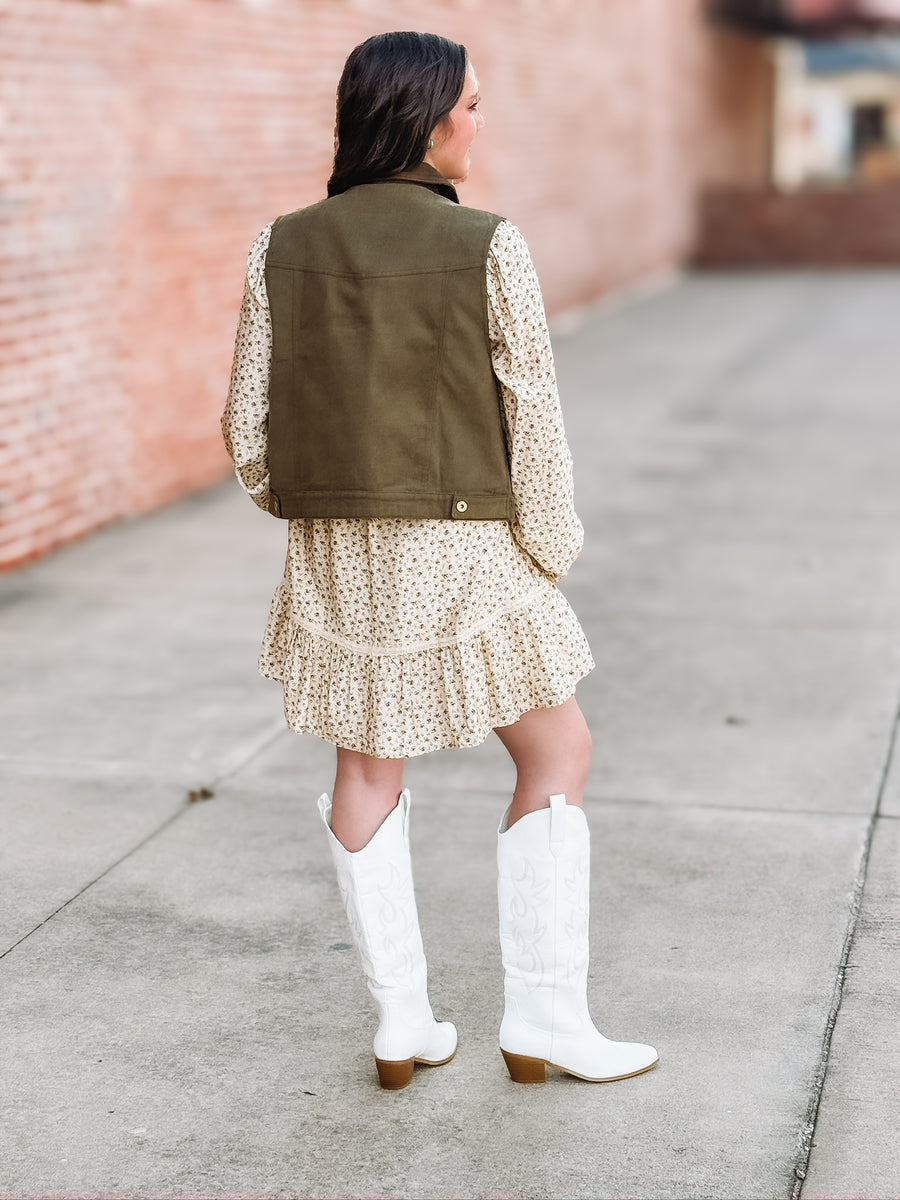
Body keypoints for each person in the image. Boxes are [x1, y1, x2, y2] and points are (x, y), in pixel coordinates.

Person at [222, 30, 657, 1091]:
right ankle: (545, 1021)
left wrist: (310, 509)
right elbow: (535, 420)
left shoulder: (279, 245)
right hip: (465, 545)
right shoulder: (490, 245)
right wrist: (550, 548)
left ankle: (403, 1023)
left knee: (366, 767)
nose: (480, 120)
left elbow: (246, 424)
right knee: (557, 753)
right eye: (469, 103)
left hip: (335, 553)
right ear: (422, 116)